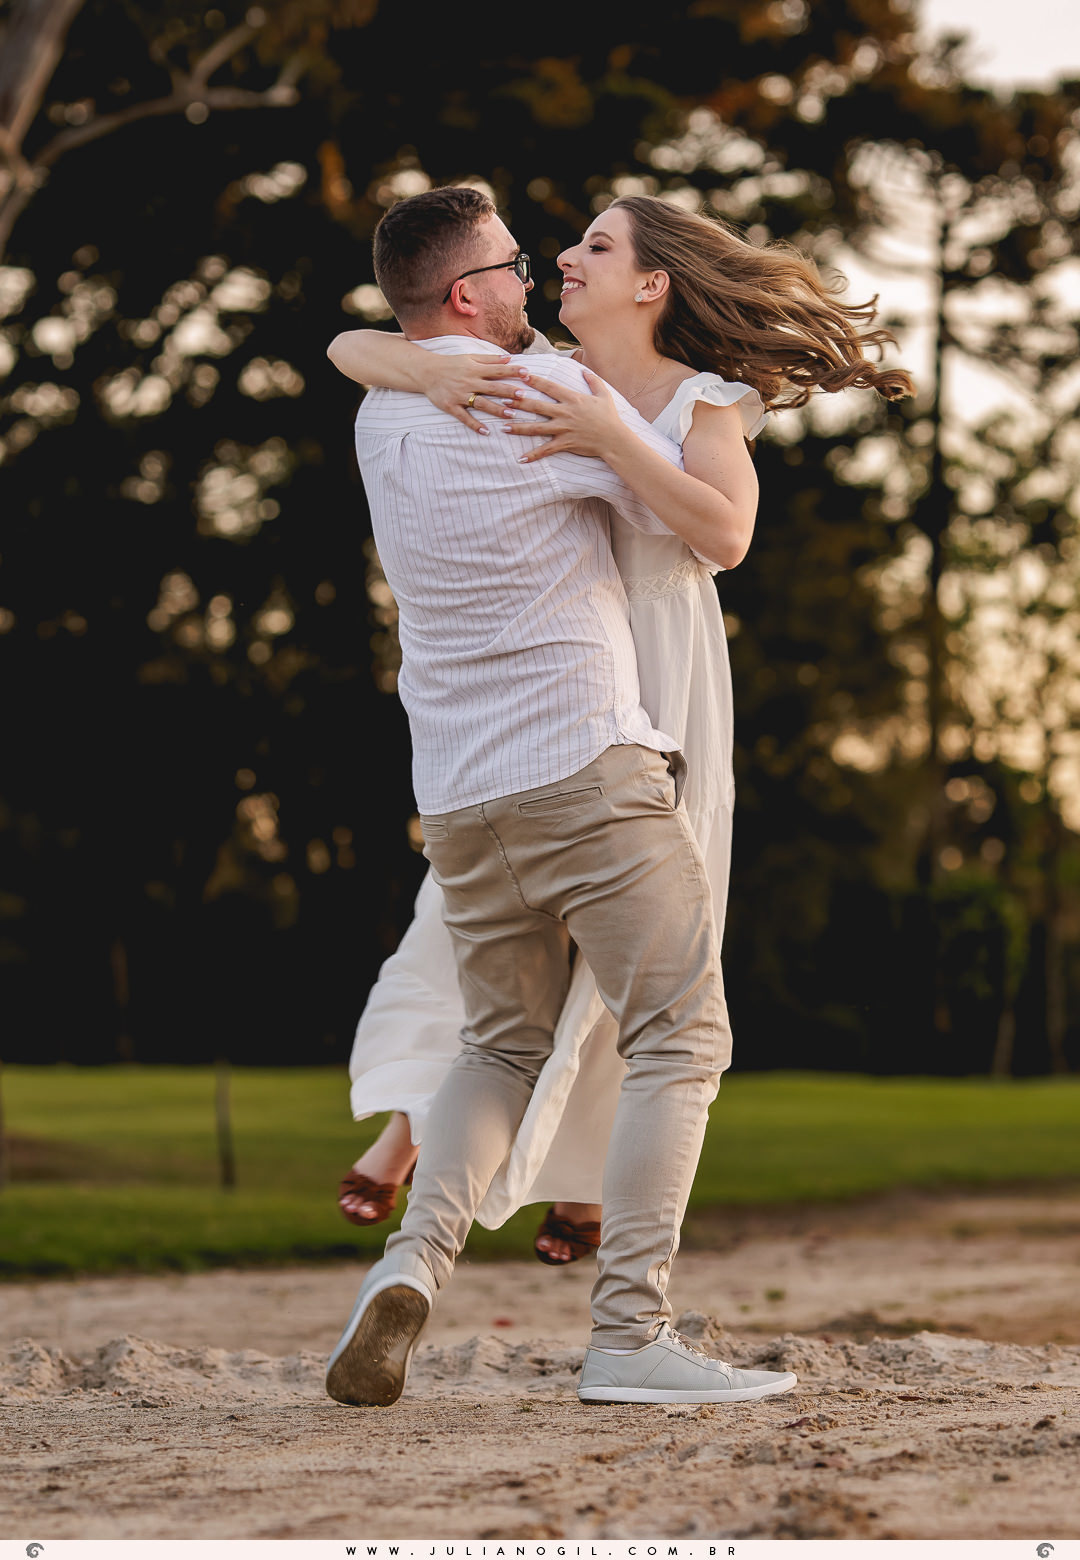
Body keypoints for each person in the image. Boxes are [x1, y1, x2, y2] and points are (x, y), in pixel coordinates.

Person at [329, 194, 914, 1264]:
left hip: (662, 665)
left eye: (595, 245)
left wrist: (609, 434)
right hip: (559, 675)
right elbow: (363, 337)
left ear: (652, 284)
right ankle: (422, 1136)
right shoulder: (538, 365)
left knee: (631, 963)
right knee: (467, 936)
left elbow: (726, 533)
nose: (559, 256)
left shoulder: (697, 399)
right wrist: (415, 364)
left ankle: (575, 1181)